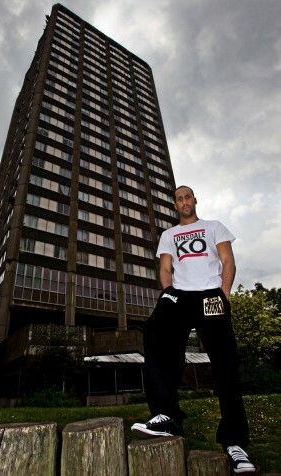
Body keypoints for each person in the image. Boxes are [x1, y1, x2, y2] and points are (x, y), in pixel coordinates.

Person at [131, 186, 254, 473]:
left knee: (225, 360)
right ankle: (167, 416)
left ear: (195, 200)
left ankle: (235, 442)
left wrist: (224, 294)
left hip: (211, 293)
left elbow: (227, 261)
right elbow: (165, 268)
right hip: (181, 296)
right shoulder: (168, 235)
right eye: (179, 199)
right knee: (155, 333)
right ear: (175, 205)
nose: (185, 202)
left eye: (188, 197)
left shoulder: (213, 227)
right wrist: (168, 292)